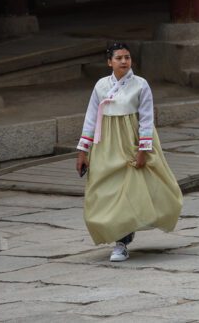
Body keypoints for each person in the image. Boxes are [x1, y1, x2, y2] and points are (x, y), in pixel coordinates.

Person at [76, 42, 182, 263]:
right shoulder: (101, 86)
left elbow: (146, 119)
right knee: (106, 189)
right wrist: (83, 151)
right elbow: (90, 118)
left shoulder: (140, 85)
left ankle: (122, 242)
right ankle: (117, 232)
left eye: (127, 57)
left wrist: (143, 150)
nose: (124, 61)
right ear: (109, 62)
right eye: (119, 58)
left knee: (130, 189)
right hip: (106, 143)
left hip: (131, 141)